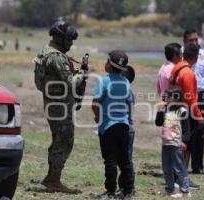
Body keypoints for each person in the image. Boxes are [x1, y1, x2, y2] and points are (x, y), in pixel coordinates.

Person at [36, 20, 85, 193]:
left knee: (58, 140)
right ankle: (54, 180)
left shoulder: (46, 52)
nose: (71, 43)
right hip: (59, 106)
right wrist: (81, 74)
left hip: (54, 104)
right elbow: (71, 83)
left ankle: (51, 177)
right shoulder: (56, 57)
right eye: (69, 39)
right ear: (60, 38)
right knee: (64, 141)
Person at [92, 50, 135, 199]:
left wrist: (97, 116)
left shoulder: (103, 81)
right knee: (124, 160)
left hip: (108, 126)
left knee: (110, 160)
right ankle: (128, 190)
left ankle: (110, 191)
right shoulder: (126, 82)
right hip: (123, 125)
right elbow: (128, 103)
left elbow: (95, 102)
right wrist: (128, 119)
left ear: (109, 65)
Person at [183, 29, 204, 174]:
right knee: (186, 131)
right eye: (191, 40)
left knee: (200, 131)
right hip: (186, 97)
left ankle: (198, 166)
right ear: (184, 41)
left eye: (196, 39)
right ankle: (182, 165)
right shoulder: (180, 54)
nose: (195, 42)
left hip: (201, 96)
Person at [155, 88, 192, 198]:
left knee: (179, 168)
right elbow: (158, 123)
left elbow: (186, 128)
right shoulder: (165, 109)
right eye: (165, 96)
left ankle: (185, 190)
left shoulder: (182, 111)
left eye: (168, 96)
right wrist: (160, 111)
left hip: (176, 144)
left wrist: (185, 141)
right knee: (166, 168)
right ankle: (170, 189)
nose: (165, 98)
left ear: (176, 98)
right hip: (166, 143)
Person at [117, 65, 136, 195]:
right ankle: (124, 186)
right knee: (123, 159)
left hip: (126, 128)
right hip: (124, 127)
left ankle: (128, 187)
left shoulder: (126, 90)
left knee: (126, 160)